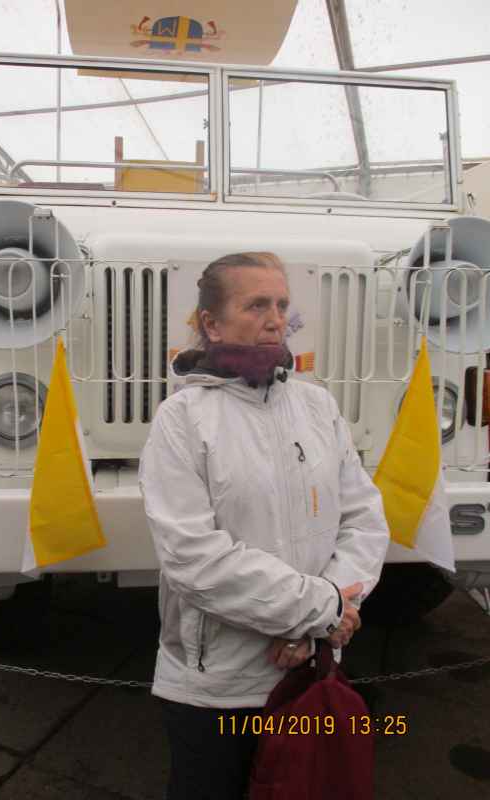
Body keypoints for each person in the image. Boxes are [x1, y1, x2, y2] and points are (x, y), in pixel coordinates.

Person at [138, 251, 389, 800]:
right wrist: (320, 611)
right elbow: (193, 558)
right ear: (211, 323)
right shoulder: (182, 420)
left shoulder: (318, 406)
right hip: (217, 689)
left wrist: (320, 620)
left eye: (281, 305)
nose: (275, 319)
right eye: (256, 305)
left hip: (310, 671)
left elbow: (363, 520)